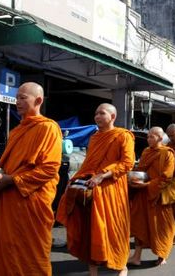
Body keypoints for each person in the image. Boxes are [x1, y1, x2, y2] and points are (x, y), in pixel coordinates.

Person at [0, 82, 62, 275]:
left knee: (30, 258)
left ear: (38, 100)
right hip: (6, 202)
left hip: (30, 205)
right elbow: (8, 166)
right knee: (2, 253)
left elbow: (49, 169)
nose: (17, 102)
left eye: (23, 98)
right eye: (17, 98)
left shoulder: (48, 128)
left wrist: (12, 180)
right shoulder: (16, 131)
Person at [56, 103, 134, 276]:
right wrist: (75, 179)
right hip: (92, 188)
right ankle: (93, 270)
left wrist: (103, 175)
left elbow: (127, 163)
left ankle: (122, 265)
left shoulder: (123, 136)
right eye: (96, 113)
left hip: (112, 188)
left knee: (113, 228)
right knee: (89, 229)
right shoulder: (94, 138)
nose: (97, 116)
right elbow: (88, 163)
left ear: (112, 117)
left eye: (102, 113)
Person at [128, 126, 175, 266]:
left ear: (160, 138)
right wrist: (134, 177)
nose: (148, 139)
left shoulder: (167, 154)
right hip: (142, 195)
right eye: (148, 136)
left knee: (161, 227)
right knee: (139, 224)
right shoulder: (146, 151)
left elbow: (167, 177)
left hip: (158, 196)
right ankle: (136, 256)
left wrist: (147, 185)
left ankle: (162, 256)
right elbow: (141, 169)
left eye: (152, 136)